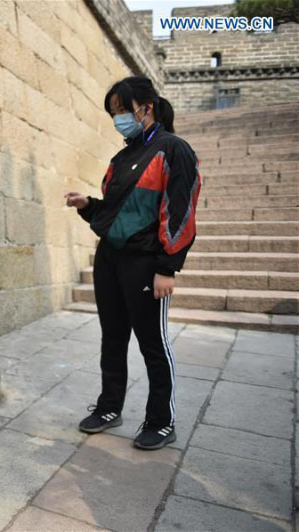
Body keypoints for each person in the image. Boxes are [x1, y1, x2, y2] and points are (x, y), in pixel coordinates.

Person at [65, 76, 201, 450]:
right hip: (109, 260)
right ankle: (110, 407)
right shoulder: (122, 157)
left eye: (123, 110)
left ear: (147, 106)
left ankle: (161, 420)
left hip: (145, 264)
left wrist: (166, 268)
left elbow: (180, 213)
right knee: (112, 337)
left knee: (152, 343)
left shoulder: (174, 150)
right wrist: (88, 206)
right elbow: (114, 213)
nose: (118, 119)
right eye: (113, 113)